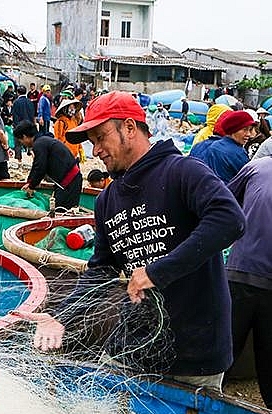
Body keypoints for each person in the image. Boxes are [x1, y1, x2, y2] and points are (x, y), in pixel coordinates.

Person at [13, 91, 245, 391]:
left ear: (130, 128)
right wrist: (61, 317)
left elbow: (230, 220)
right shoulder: (108, 199)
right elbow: (100, 270)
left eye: (100, 137)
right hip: (132, 346)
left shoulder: (183, 171)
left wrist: (156, 271)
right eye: (91, 142)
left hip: (195, 353)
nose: (96, 150)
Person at [226, 157, 272, 408]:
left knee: (227, 345)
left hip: (241, 269)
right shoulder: (256, 167)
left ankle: (204, 402)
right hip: (250, 273)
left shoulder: (257, 166)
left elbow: (224, 202)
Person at [14, 120, 82, 211]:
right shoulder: (43, 141)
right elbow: (36, 166)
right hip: (70, 180)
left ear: (24, 136)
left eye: (21, 140)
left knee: (62, 211)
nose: (22, 143)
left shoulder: (39, 144)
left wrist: (31, 186)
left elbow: (40, 168)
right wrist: (29, 182)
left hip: (69, 182)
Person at [189, 110, 255, 183]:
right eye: (244, 129)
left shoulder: (200, 145)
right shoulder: (236, 153)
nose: (249, 134)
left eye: (250, 130)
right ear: (233, 129)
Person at [11, 85, 36, 164]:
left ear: (18, 93)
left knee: (18, 142)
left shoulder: (16, 102)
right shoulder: (30, 102)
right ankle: (32, 156)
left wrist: (15, 126)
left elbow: (15, 115)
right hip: (29, 125)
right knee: (31, 142)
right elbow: (33, 114)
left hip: (20, 125)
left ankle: (19, 159)